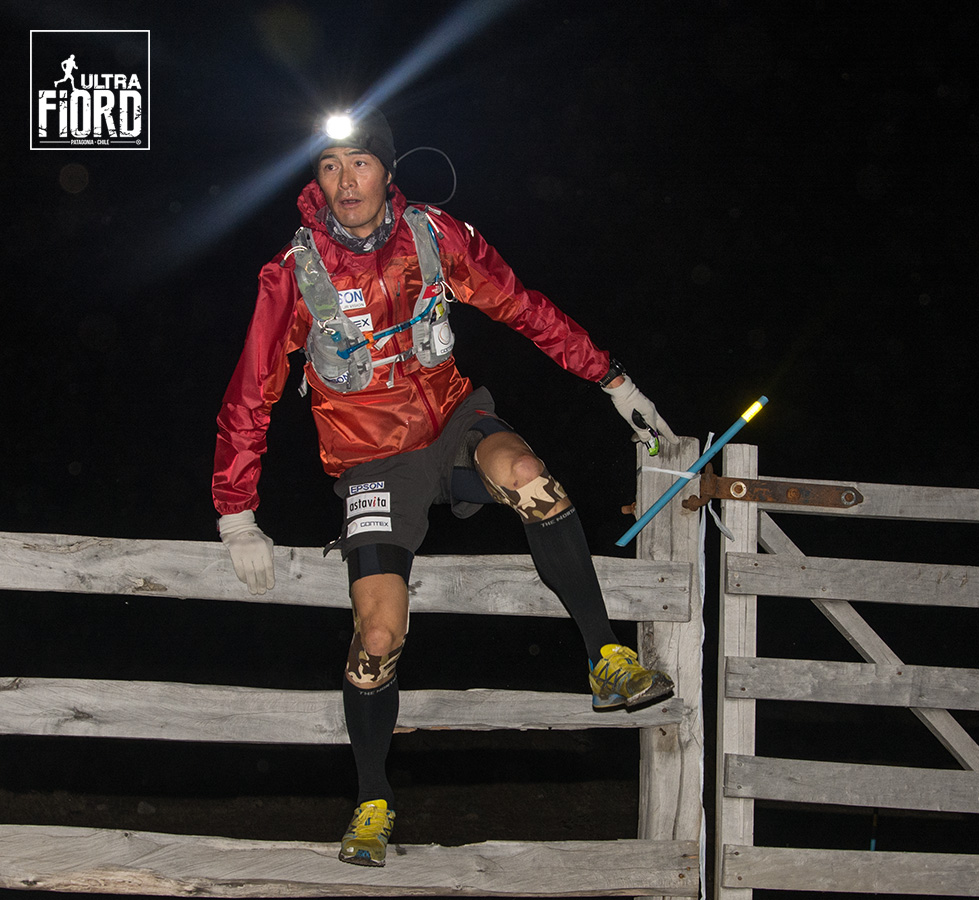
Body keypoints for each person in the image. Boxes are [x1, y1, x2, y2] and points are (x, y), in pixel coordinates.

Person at [212, 106, 679, 867]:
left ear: (387, 170)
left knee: (532, 480)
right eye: (330, 166)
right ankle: (372, 800)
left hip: (454, 420)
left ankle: (606, 659)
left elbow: (521, 305)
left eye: (359, 163)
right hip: (371, 461)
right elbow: (249, 392)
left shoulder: (434, 236)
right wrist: (236, 512)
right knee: (377, 638)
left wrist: (611, 377)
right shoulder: (293, 273)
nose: (345, 182)